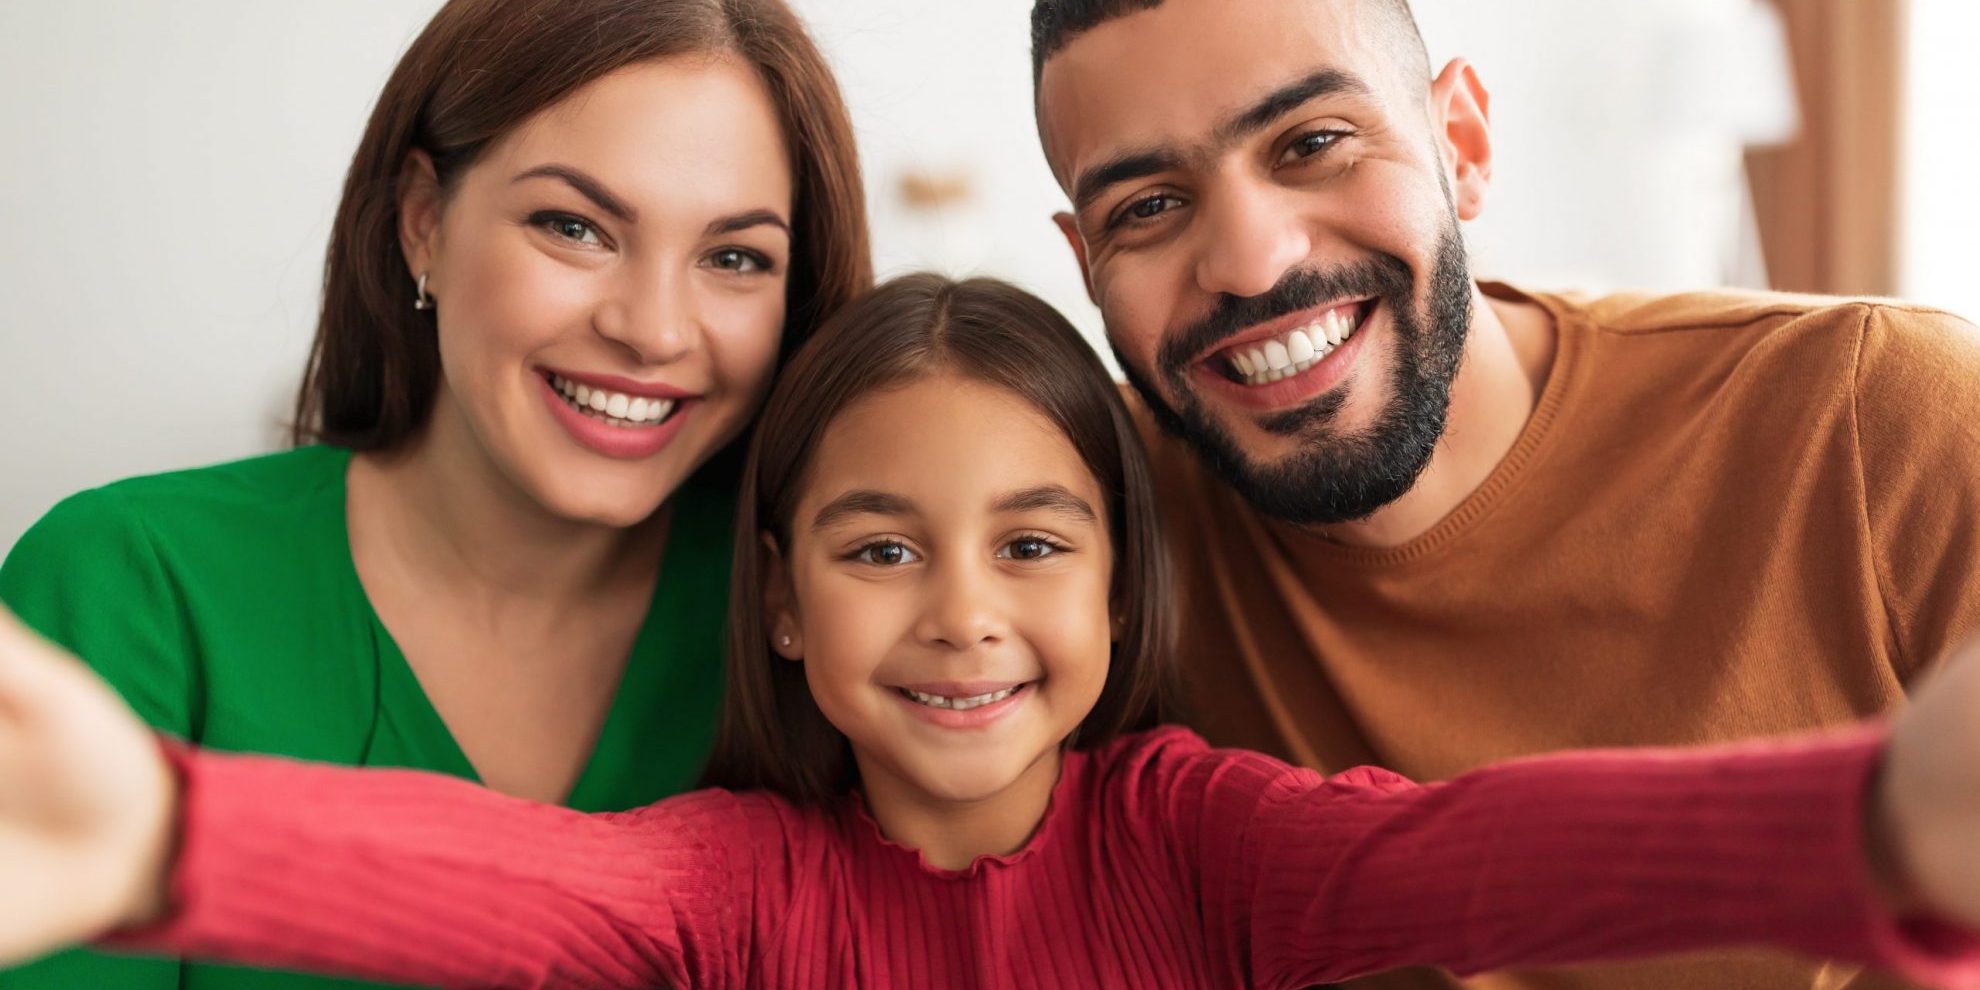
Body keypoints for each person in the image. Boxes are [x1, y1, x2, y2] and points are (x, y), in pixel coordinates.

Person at [2, 275, 1979, 990]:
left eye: (1034, 545)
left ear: (1122, 581)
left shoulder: (1208, 842)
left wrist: (1869, 826)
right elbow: (524, 889)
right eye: (878, 551)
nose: (964, 618)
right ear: (773, 598)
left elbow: (1465, 859)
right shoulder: (726, 885)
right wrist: (168, 837)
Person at [1028, 3, 1980, 987]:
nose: (1249, 262)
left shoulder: (1885, 416)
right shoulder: (1080, 531)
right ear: (1087, 266)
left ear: (1462, 146)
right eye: (1145, 206)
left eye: (1313, 143)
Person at [0, 0, 869, 987]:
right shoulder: (133, 586)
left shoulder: (841, 622)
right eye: (575, 227)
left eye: (734, 257)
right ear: (423, 220)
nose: (654, 330)